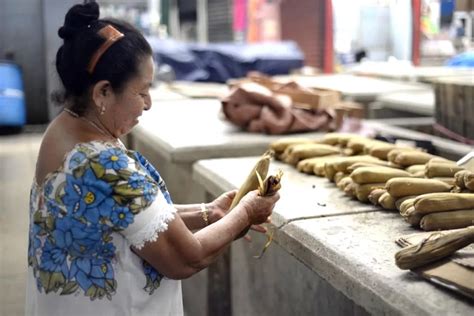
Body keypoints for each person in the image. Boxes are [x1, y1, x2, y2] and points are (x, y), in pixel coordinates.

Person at [26, 2, 279, 315]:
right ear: (103, 92)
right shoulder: (105, 166)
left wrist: (210, 212)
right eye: (142, 91)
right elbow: (187, 257)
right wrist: (245, 213)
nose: (148, 104)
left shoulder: (63, 131)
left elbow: (130, 215)